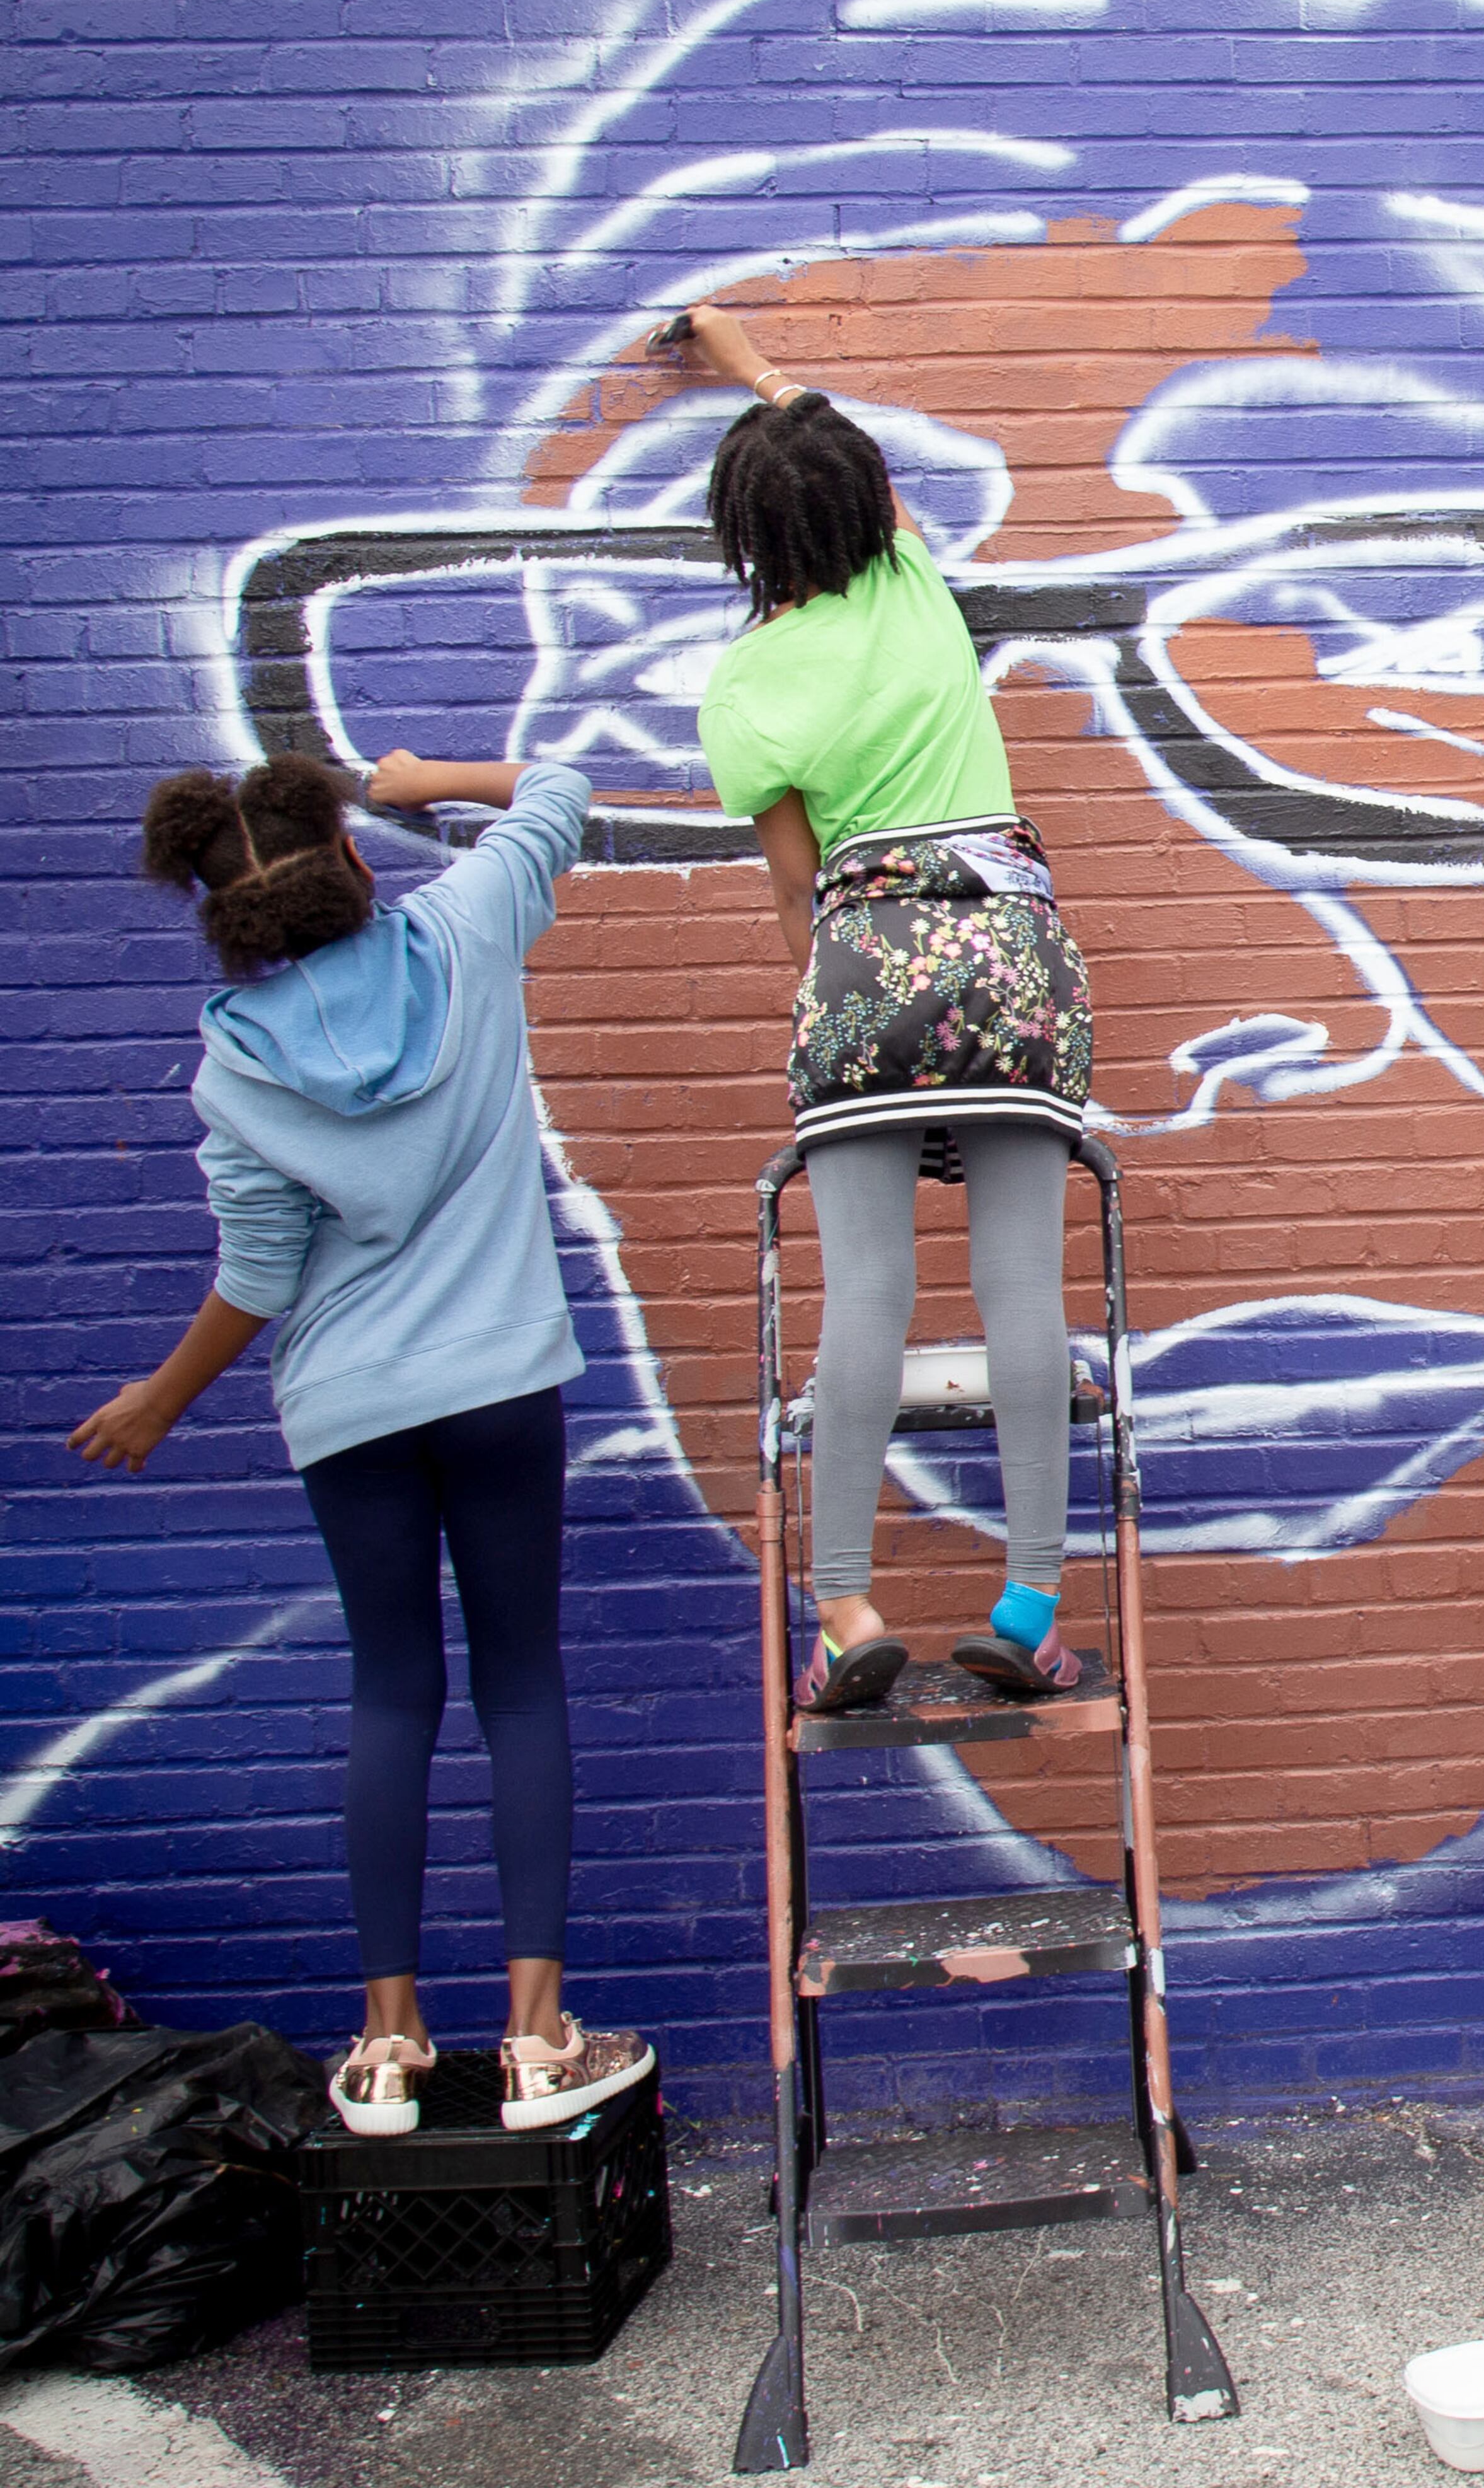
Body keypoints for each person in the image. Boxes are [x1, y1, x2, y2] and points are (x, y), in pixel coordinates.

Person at [68, 748, 653, 2140]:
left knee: (393, 1691)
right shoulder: (465, 925)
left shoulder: (234, 1063)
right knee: (522, 1683)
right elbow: (558, 787)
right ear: (346, 855)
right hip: (503, 1378)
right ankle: (532, 2036)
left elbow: (261, 1272)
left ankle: (390, 2043)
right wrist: (416, 776)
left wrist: (164, 1395)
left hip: (348, 1407)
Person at [665, 299, 1095, 1711]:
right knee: (1021, 1287)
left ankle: (847, 1609)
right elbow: (827, 435)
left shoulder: (743, 686)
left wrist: (837, 1011)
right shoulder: (914, 582)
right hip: (1012, 951)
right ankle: (1027, 1604)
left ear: (745, 544)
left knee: (871, 1297)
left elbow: (800, 895)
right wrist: (743, 357)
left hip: (867, 960)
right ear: (863, 505)